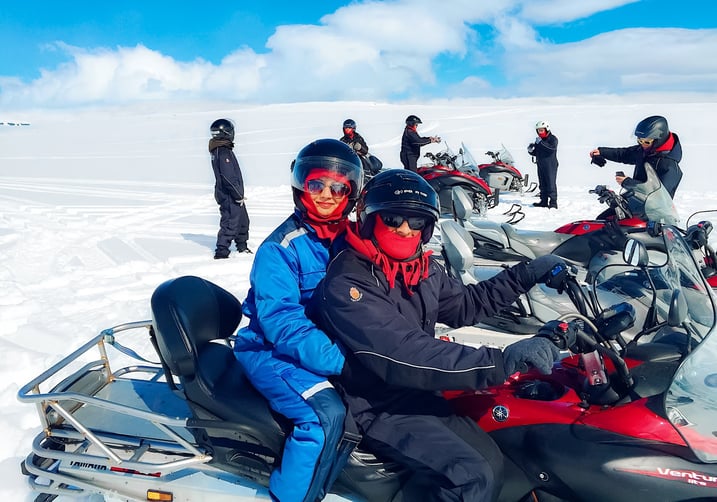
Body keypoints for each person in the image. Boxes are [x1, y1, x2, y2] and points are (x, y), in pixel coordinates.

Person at [309, 169, 568, 501]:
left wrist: (526, 274)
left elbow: (465, 304)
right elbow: (403, 354)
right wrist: (500, 362)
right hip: (376, 404)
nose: (405, 229)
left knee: (497, 458)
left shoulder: (422, 269)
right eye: (392, 218)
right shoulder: (349, 282)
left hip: (418, 394)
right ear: (370, 221)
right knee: (471, 478)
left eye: (416, 222)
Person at [233, 139, 364, 502]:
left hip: (321, 347)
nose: (326, 194)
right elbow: (282, 323)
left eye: (338, 188)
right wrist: (342, 361)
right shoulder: (281, 249)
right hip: (269, 351)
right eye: (316, 184)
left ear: (350, 193)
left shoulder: (352, 241)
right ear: (301, 187)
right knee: (323, 417)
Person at [589, 115, 683, 198]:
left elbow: (660, 195)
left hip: (653, 213)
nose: (642, 144)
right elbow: (625, 154)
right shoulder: (648, 150)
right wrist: (602, 152)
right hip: (635, 201)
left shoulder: (669, 166)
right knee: (605, 217)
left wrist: (628, 182)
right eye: (640, 140)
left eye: (646, 141)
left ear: (659, 140)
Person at [209, 118, 251, 259]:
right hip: (229, 194)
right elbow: (228, 177)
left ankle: (242, 246)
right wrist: (237, 194)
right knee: (230, 222)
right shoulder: (222, 152)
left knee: (243, 220)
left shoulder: (220, 149)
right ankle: (221, 252)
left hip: (232, 192)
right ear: (226, 132)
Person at [528, 120, 559, 208]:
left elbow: (551, 149)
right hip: (541, 164)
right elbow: (537, 152)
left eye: (541, 130)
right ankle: (543, 201)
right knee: (542, 183)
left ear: (547, 129)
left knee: (550, 183)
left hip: (550, 165)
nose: (540, 132)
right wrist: (531, 150)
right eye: (538, 130)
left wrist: (540, 143)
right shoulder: (540, 140)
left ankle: (553, 203)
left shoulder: (553, 139)